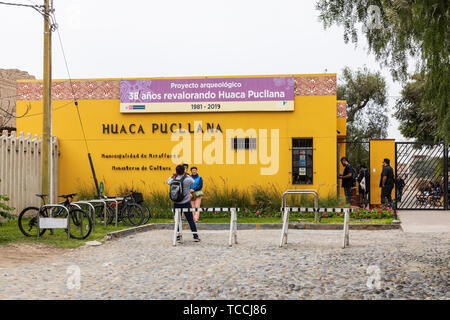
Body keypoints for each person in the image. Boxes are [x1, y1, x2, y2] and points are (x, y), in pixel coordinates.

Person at [167, 164, 200, 242]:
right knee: (190, 220)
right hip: (186, 203)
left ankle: (178, 237)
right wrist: (186, 174)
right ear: (184, 171)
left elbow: (167, 180)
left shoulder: (173, 180)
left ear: (177, 172)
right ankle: (195, 236)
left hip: (176, 203)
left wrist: (173, 175)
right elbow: (193, 181)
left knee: (177, 220)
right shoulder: (187, 179)